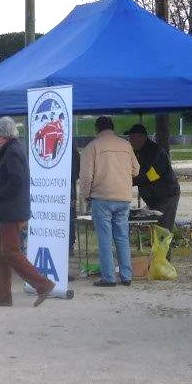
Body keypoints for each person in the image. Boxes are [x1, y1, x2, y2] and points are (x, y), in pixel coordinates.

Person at [0, 117, 55, 307]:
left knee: (10, 252)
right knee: (1, 256)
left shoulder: (12, 152)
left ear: (2, 135)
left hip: (11, 211)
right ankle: (3, 296)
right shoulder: (13, 149)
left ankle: (43, 284)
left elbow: (16, 179)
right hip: (12, 209)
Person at [80, 116, 139, 287]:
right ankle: (126, 276)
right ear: (113, 128)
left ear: (96, 129)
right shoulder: (126, 145)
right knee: (122, 237)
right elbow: (136, 170)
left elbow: (85, 176)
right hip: (123, 198)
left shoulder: (92, 147)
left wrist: (85, 195)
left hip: (102, 198)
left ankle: (109, 277)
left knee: (105, 239)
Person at [124, 124, 181, 233]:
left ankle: (163, 250)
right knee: (156, 228)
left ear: (142, 137)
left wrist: (128, 181)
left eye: (132, 138)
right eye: (129, 138)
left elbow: (150, 176)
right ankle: (158, 249)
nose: (130, 141)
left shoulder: (156, 152)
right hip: (154, 197)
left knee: (163, 229)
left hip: (167, 196)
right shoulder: (137, 152)